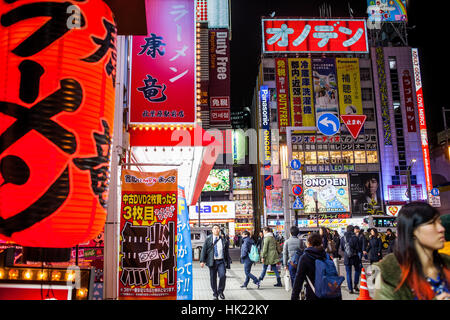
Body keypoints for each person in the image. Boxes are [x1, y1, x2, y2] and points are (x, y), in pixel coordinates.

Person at [375, 202, 450, 300]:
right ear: (412, 230)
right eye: (432, 223)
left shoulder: (446, 263)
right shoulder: (389, 274)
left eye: (439, 223)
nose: (441, 229)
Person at [291, 232, 342, 301]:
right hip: (329, 292)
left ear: (308, 243)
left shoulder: (305, 257)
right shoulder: (326, 255)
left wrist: (294, 297)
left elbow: (299, 279)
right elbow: (334, 274)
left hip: (314, 293)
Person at [200, 224, 232, 300]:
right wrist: (202, 261)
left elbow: (226, 252)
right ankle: (215, 294)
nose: (216, 230)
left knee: (222, 276)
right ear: (212, 230)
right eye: (215, 228)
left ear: (219, 230)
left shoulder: (223, 240)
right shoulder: (208, 239)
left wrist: (228, 261)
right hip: (212, 261)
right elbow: (204, 250)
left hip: (221, 261)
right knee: (213, 278)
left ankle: (220, 291)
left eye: (218, 228)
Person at [340, 225, 361, 294]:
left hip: (347, 257)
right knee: (357, 270)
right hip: (355, 256)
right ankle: (355, 284)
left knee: (348, 273)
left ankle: (350, 289)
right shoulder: (355, 238)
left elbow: (342, 248)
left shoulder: (343, 238)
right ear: (353, 230)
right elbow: (358, 248)